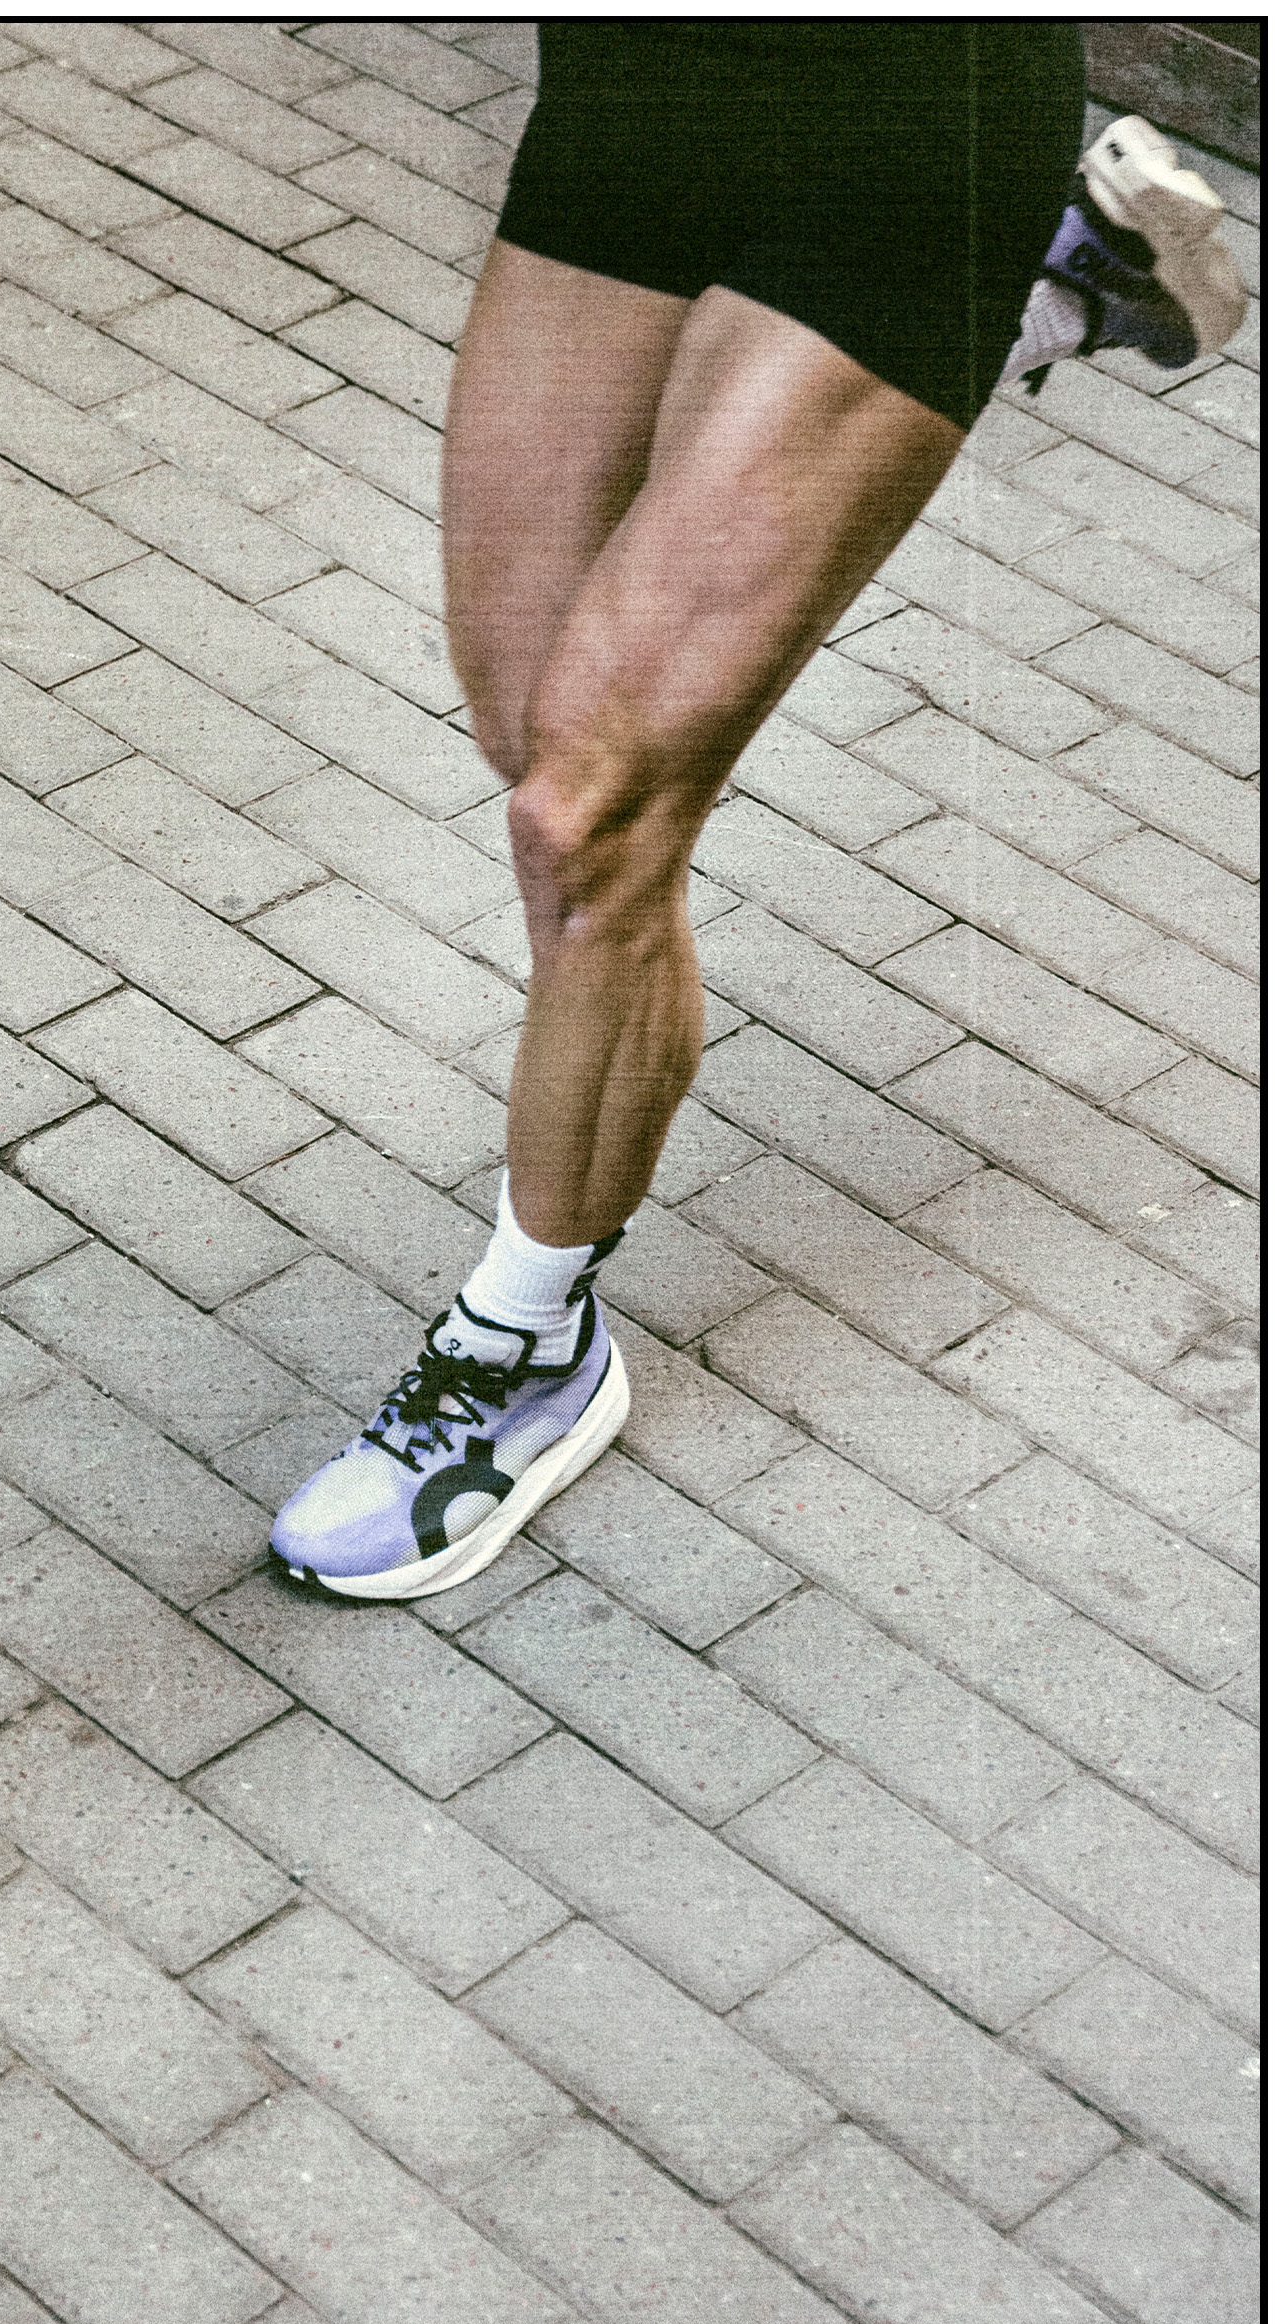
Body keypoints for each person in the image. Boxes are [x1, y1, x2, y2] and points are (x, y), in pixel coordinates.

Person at [269, 22, 1115, 1602]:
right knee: (530, 726)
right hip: (640, 91)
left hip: (906, 126)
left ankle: (523, 1347)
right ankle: (1031, 292)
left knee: (588, 821)